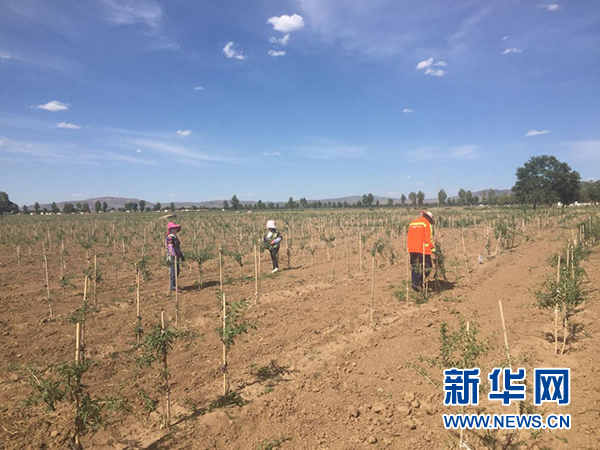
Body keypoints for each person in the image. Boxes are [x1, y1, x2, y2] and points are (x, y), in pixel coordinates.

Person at [407, 210, 436, 291]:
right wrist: (432, 248)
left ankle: (414, 284)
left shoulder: (412, 223)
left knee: (415, 266)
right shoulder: (426, 224)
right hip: (422, 249)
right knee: (428, 267)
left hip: (412, 249)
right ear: (429, 218)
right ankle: (419, 282)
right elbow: (428, 238)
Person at [166, 222, 184, 291]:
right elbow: (170, 246)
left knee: (177, 271)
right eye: (173, 229)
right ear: (170, 230)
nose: (174, 231)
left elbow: (178, 247)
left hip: (177, 256)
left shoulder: (175, 237)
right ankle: (172, 286)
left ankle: (174, 284)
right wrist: (174, 254)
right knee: (173, 271)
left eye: (175, 229)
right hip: (173, 257)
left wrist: (181, 255)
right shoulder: (170, 237)